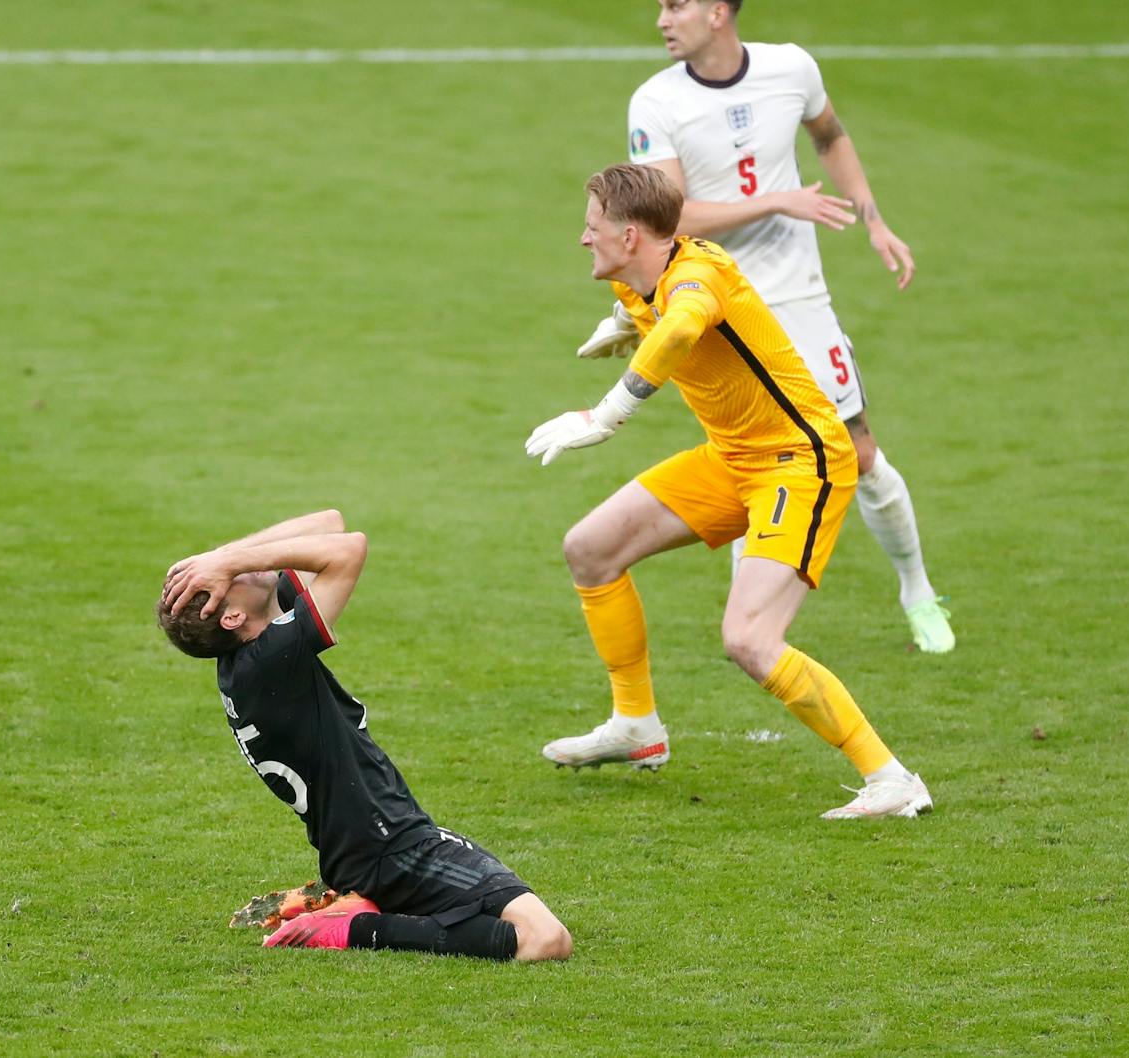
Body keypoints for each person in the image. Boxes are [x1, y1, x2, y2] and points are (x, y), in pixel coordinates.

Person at [525, 163, 932, 820]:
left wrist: (605, 416)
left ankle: (892, 779)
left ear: (630, 237)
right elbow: (659, 314)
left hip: (800, 463)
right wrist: (628, 323)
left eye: (592, 226)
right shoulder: (640, 278)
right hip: (734, 458)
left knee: (750, 638)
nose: (583, 238)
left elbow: (684, 326)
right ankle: (636, 726)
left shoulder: (695, 278)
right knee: (591, 548)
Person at [576, 0, 954, 654]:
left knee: (861, 454)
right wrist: (776, 200)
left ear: (719, 11)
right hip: (716, 307)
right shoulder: (656, 102)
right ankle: (754, 630)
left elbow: (830, 136)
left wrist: (874, 219)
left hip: (799, 297)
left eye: (677, 4)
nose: (662, 18)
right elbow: (670, 220)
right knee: (749, 455)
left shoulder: (791, 69)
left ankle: (917, 592)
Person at [158, 509, 572, 961]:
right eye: (229, 579)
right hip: (391, 850)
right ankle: (357, 927)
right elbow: (348, 550)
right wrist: (232, 561)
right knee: (545, 939)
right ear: (233, 617)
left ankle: (355, 899)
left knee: (497, 905)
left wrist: (223, 557)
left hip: (369, 848)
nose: (241, 568)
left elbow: (329, 525)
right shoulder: (270, 660)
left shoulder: (253, 649)